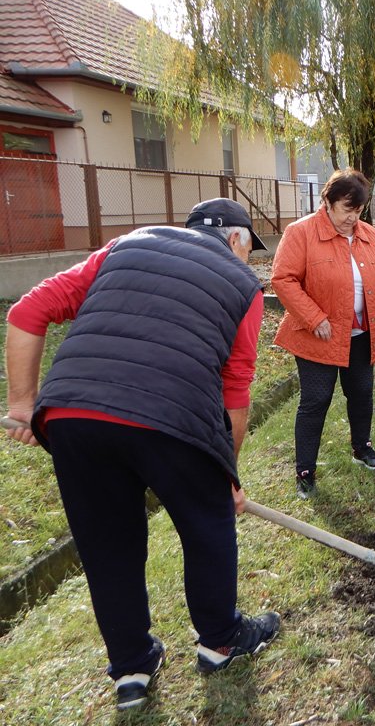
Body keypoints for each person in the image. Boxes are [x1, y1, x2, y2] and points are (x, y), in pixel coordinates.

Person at [2, 198, 281, 711]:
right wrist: (228, 475)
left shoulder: (125, 245)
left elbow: (26, 311)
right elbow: (235, 388)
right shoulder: (244, 286)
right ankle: (221, 640)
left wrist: (22, 405)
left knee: (108, 544)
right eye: (251, 249)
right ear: (237, 240)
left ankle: (131, 667)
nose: (251, 260)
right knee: (207, 524)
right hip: (172, 416)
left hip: (74, 413)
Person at [271, 168, 375, 498]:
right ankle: (305, 470)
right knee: (316, 399)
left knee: (362, 391)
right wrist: (314, 317)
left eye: (358, 211)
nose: (353, 218)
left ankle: (362, 447)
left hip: (360, 333)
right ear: (328, 201)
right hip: (317, 336)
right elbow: (283, 280)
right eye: (346, 209)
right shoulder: (301, 233)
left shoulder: (369, 236)